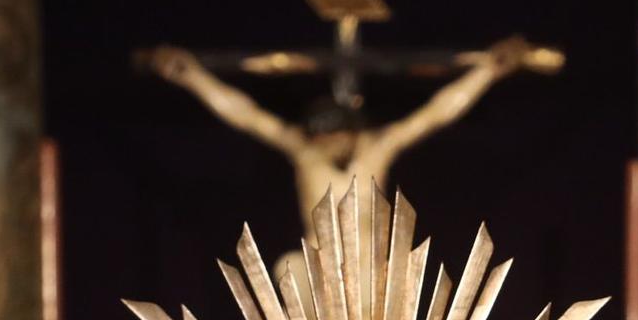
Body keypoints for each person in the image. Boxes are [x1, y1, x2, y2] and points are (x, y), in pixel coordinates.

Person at [149, 37, 562, 222]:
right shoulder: (303, 149)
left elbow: (437, 113)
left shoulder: (376, 147)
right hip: (319, 268)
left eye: (334, 137)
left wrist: (488, 72)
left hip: (370, 276)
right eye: (321, 138)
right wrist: (193, 78)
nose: (328, 146)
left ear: (350, 132)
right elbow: (247, 115)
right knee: (287, 268)